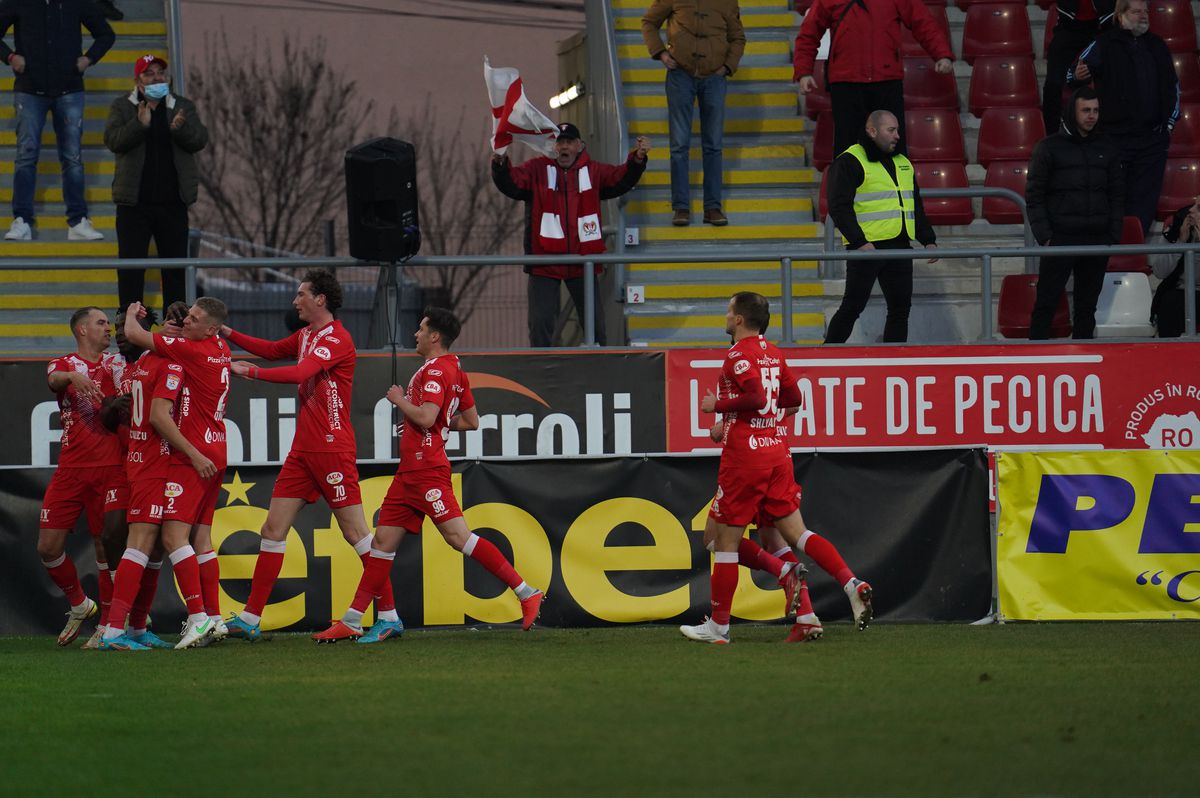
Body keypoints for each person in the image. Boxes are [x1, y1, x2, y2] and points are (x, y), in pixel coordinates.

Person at [314, 308, 546, 641]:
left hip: (426, 470)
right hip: (410, 472)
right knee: (381, 544)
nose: (415, 334)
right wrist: (423, 420)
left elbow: (425, 417)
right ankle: (358, 620)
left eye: (421, 329)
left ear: (435, 336)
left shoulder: (436, 371)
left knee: (459, 539)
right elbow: (469, 421)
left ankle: (526, 593)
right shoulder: (455, 368)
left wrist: (401, 402)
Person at [681, 292, 872, 644]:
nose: (725, 315)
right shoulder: (773, 352)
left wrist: (717, 406)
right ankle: (836, 593)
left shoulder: (737, 355)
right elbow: (793, 399)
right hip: (776, 453)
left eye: (728, 310)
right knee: (791, 535)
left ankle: (720, 625)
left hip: (745, 460)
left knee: (719, 540)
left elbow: (754, 396)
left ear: (739, 319)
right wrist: (747, 419)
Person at [220, 269, 399, 644]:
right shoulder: (306, 335)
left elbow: (301, 372)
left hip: (332, 449)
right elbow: (271, 350)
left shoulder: (336, 339)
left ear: (320, 300)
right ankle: (251, 619)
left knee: (356, 533)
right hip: (303, 450)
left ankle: (389, 616)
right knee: (272, 530)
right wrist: (227, 333)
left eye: (301, 294)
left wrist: (249, 372)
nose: (294, 300)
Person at [121, 297, 233, 648]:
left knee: (172, 538)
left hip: (194, 455)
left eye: (194, 319)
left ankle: (198, 617)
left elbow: (132, 334)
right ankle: (215, 619)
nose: (186, 322)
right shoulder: (220, 347)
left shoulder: (191, 352)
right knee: (201, 539)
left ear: (210, 328)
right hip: (218, 446)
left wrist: (131, 313)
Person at [492, 123, 649, 348]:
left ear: (579, 146)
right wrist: (499, 163)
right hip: (544, 261)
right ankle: (541, 373)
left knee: (595, 326)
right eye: (559, 142)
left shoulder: (593, 171)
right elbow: (511, 183)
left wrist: (637, 160)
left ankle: (597, 368)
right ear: (552, 146)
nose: (563, 146)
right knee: (541, 324)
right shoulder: (537, 169)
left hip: (582, 260)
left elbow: (619, 178)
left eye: (568, 142)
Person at [100, 306, 193, 651]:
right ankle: (113, 630)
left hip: (146, 460)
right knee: (138, 543)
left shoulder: (142, 365)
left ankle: (137, 626)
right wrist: (196, 455)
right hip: (152, 461)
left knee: (152, 548)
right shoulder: (168, 364)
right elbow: (158, 418)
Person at [37, 307, 121, 646]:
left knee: (106, 547)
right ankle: (79, 603)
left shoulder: (116, 365)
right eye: (101, 323)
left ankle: (109, 624)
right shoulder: (63, 364)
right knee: (47, 547)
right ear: (82, 329)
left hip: (110, 467)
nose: (108, 330)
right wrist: (73, 377)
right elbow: (52, 381)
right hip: (70, 469)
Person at [0, 0, 113, 242]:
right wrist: (9, 56)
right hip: (30, 90)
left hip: (69, 90)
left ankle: (77, 221)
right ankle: (22, 221)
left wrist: (88, 59)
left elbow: (106, 34)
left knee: (72, 158)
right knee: (26, 156)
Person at [104, 53, 209, 315]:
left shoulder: (181, 106)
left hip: (173, 203)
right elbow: (113, 140)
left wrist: (179, 129)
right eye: (149, 74)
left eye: (160, 73)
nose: (156, 78)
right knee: (131, 270)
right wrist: (139, 125)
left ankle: (174, 330)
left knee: (175, 270)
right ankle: (129, 332)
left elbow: (199, 140)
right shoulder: (123, 106)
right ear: (138, 81)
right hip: (133, 204)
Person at [824, 109, 937, 344]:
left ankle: (894, 362)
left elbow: (915, 204)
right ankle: (825, 356)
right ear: (872, 131)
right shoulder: (849, 160)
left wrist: (928, 239)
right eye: (891, 130)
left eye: (898, 130)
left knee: (900, 309)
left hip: (900, 246)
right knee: (852, 307)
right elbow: (838, 207)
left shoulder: (903, 162)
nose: (897, 135)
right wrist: (859, 243)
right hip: (867, 248)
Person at [1070, 0, 1179, 234]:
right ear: (1120, 15)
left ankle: (1134, 250)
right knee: (1113, 198)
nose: (1143, 16)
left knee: (1144, 204)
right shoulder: (1104, 43)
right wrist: (1077, 74)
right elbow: (1073, 73)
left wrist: (1169, 124)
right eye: (1136, 11)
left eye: (1145, 11)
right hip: (1114, 139)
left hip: (1152, 140)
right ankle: (1112, 255)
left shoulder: (1158, 45)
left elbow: (1173, 87)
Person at [793, 0, 952, 157]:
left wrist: (942, 54)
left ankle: (896, 183)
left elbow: (923, 22)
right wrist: (804, 72)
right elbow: (809, 33)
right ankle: (848, 182)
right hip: (847, 83)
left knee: (892, 145)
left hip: (884, 81)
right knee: (847, 149)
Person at [1025, 88, 1124, 340]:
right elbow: (1034, 195)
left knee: (1086, 308)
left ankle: (1084, 362)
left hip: (1097, 239)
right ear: (1073, 112)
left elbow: (1116, 194)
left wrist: (1111, 234)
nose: (1092, 116)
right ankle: (1034, 362)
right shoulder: (1048, 148)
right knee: (1045, 303)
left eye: (1095, 110)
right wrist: (1046, 237)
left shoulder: (1108, 148)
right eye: (1086, 110)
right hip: (1060, 239)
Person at [641, 0, 744, 226]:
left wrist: (727, 67)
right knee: (679, 145)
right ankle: (681, 207)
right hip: (680, 75)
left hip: (714, 77)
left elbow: (738, 37)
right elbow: (649, 22)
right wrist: (660, 53)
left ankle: (713, 207)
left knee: (713, 145)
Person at [1041, 0, 1115, 136]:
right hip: (1069, 25)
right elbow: (1043, 3)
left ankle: (1107, 130)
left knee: (1112, 77)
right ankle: (1051, 134)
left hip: (1103, 26)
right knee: (1053, 83)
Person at [1151, 195, 1200, 337]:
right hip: (1181, 291)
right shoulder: (1176, 227)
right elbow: (1159, 272)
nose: (1191, 210)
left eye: (1199, 208)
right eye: (1194, 205)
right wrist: (1180, 243)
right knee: (1169, 302)